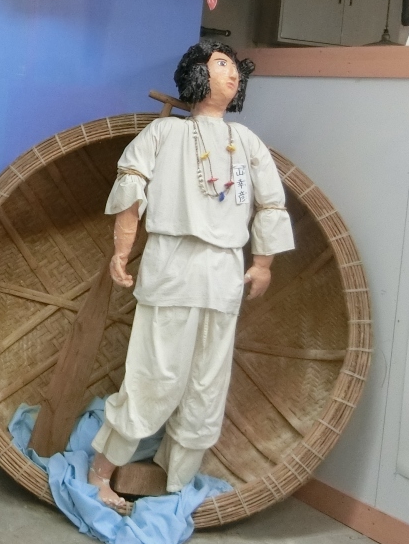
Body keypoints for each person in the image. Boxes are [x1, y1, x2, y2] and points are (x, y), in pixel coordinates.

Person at [87, 41, 294, 514]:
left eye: (235, 67)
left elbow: (271, 203)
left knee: (207, 383)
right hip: (171, 264)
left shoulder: (246, 142)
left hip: (224, 272)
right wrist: (122, 252)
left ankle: (176, 480)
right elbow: (131, 189)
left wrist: (263, 263)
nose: (232, 74)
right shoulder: (165, 133)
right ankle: (101, 471)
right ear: (197, 74)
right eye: (220, 64)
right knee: (155, 374)